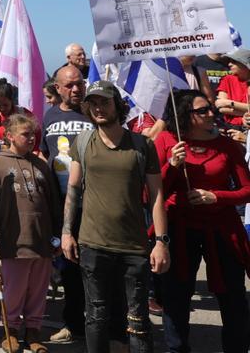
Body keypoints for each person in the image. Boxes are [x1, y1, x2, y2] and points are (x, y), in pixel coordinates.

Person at [61, 81, 169, 353]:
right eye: (93, 103)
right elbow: (73, 190)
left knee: (138, 321)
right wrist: (66, 232)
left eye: (104, 102)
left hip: (133, 246)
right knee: (96, 317)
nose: (98, 108)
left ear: (117, 106)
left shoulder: (142, 145)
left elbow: (156, 196)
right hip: (92, 245)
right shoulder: (83, 142)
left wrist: (161, 241)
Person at [156, 89, 250, 353]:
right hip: (179, 228)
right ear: (185, 114)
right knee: (176, 297)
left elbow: (247, 190)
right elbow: (150, 193)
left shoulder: (228, 146)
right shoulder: (166, 141)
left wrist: (215, 197)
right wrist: (172, 165)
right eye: (203, 110)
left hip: (222, 229)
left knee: (232, 297)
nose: (212, 113)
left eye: (210, 108)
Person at [0, 113, 61, 353]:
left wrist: (57, 235)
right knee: (14, 290)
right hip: (14, 241)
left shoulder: (41, 164)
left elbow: (53, 204)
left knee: (38, 291)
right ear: (9, 136)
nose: (31, 139)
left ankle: (33, 333)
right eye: (25, 134)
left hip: (41, 241)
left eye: (33, 134)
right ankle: (11, 332)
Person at [40, 64, 91, 344]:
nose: (75, 89)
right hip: (61, 206)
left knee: (94, 268)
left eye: (79, 84)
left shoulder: (93, 113)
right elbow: (45, 154)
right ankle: (74, 324)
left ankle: (100, 324)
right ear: (57, 88)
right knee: (70, 267)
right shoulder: (49, 116)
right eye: (69, 85)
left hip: (93, 205)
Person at [216, 49, 250, 127]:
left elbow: (224, 103)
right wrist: (246, 109)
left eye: (234, 62)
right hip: (230, 127)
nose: (229, 64)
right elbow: (222, 108)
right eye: (229, 61)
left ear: (245, 64)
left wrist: (229, 103)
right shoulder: (227, 79)